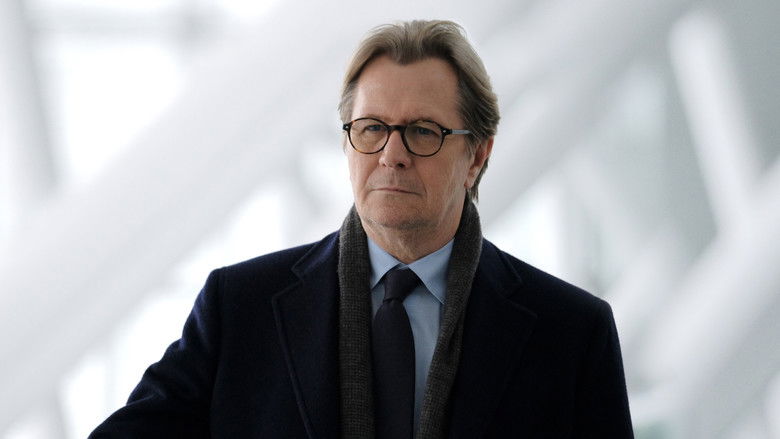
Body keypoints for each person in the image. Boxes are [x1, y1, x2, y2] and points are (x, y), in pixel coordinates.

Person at [90, 20, 633, 438]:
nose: (392, 154)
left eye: (423, 131)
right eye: (372, 128)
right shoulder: (239, 309)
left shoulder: (572, 334)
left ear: (477, 156)